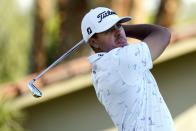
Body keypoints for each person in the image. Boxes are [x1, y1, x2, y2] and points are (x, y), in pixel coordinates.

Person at [81, 7, 175, 131]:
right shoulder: (120, 61)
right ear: (94, 42)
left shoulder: (99, 69)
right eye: (108, 30)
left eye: (119, 25)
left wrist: (114, 28)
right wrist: (126, 29)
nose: (119, 32)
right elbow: (163, 34)